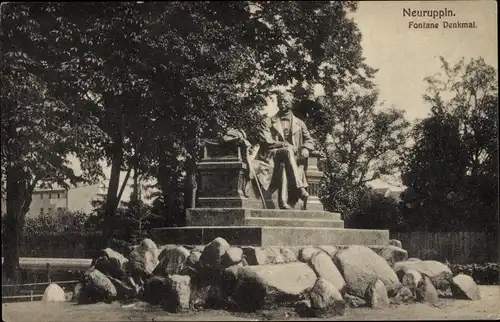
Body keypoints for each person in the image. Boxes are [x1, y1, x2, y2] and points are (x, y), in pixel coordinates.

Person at [255, 90, 315, 209]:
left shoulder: (300, 123)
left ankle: (283, 202)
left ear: (291, 103)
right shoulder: (267, 122)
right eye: (281, 101)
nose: (283, 104)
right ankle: (300, 188)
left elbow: (310, 140)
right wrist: (284, 144)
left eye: (286, 102)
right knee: (286, 151)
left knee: (284, 163)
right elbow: (266, 141)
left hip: (294, 158)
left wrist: (305, 148)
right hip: (272, 155)